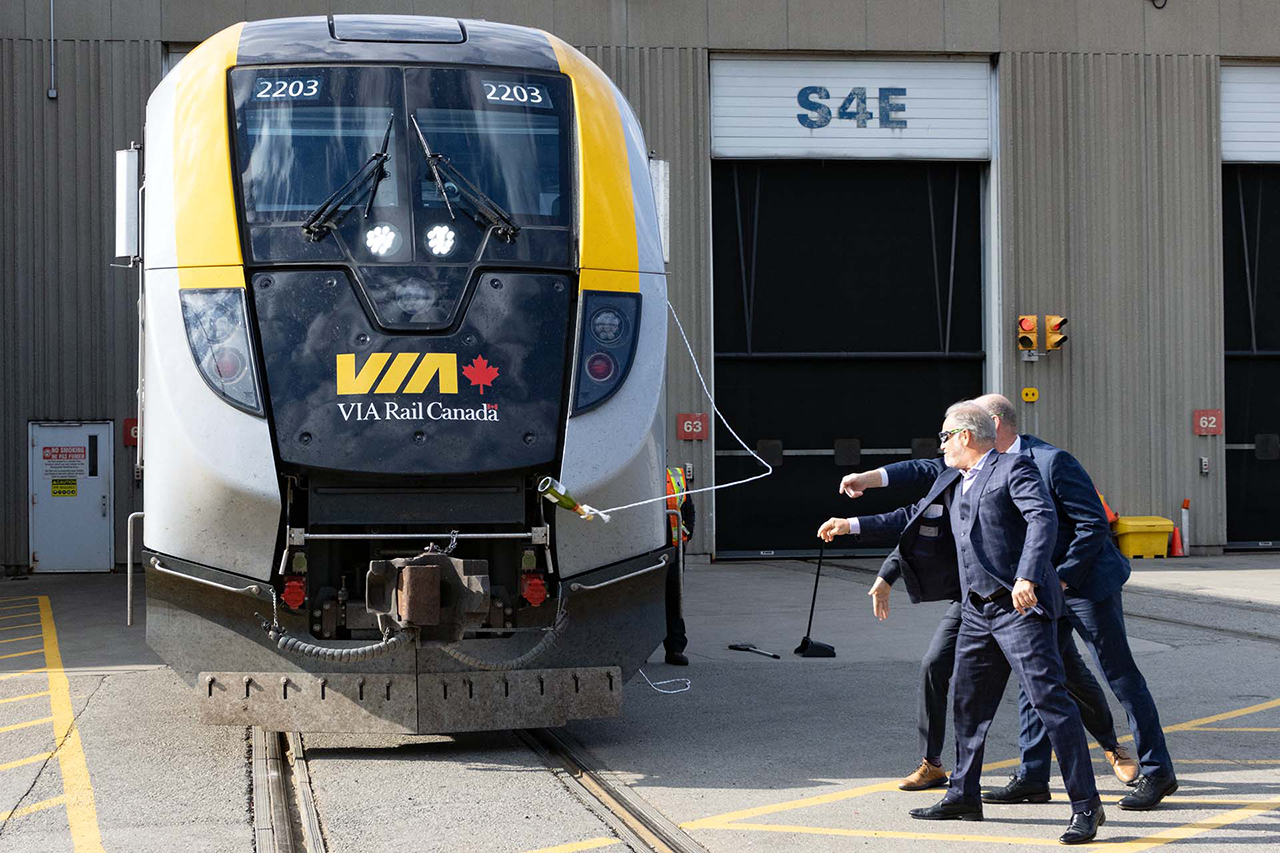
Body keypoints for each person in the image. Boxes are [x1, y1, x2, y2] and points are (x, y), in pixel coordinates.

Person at [840, 394, 1175, 810]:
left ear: (992, 424)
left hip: (1083, 583)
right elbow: (926, 478)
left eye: (949, 433)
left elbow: (1091, 525)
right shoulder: (975, 467)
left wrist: (1059, 579)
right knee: (1036, 676)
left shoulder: (1051, 461)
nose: (943, 444)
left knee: (1118, 674)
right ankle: (1033, 776)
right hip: (1023, 590)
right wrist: (871, 478)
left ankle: (1157, 771)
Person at [820, 402, 1104, 844]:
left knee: (1052, 703)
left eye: (945, 437)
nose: (942, 446)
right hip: (976, 611)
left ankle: (1086, 805)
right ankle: (963, 795)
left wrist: (1027, 574)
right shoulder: (953, 478)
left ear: (966, 437)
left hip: (1019, 608)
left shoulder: (1015, 469)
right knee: (969, 707)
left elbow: (1041, 519)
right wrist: (850, 524)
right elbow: (908, 519)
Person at [663, 466, 694, 666]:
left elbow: (688, 509)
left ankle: (675, 648)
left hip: (673, 547)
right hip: (643, 549)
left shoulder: (676, 476)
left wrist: (687, 533)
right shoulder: (636, 472)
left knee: (674, 598)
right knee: (642, 598)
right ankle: (641, 649)